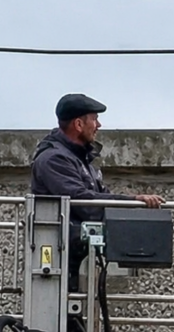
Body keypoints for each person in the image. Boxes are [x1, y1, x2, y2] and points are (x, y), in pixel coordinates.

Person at [31, 93, 164, 283]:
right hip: (60, 257)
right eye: (94, 119)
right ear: (78, 124)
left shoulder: (81, 160)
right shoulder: (54, 159)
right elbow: (85, 203)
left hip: (74, 255)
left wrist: (133, 205)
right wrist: (134, 201)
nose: (99, 126)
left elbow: (101, 198)